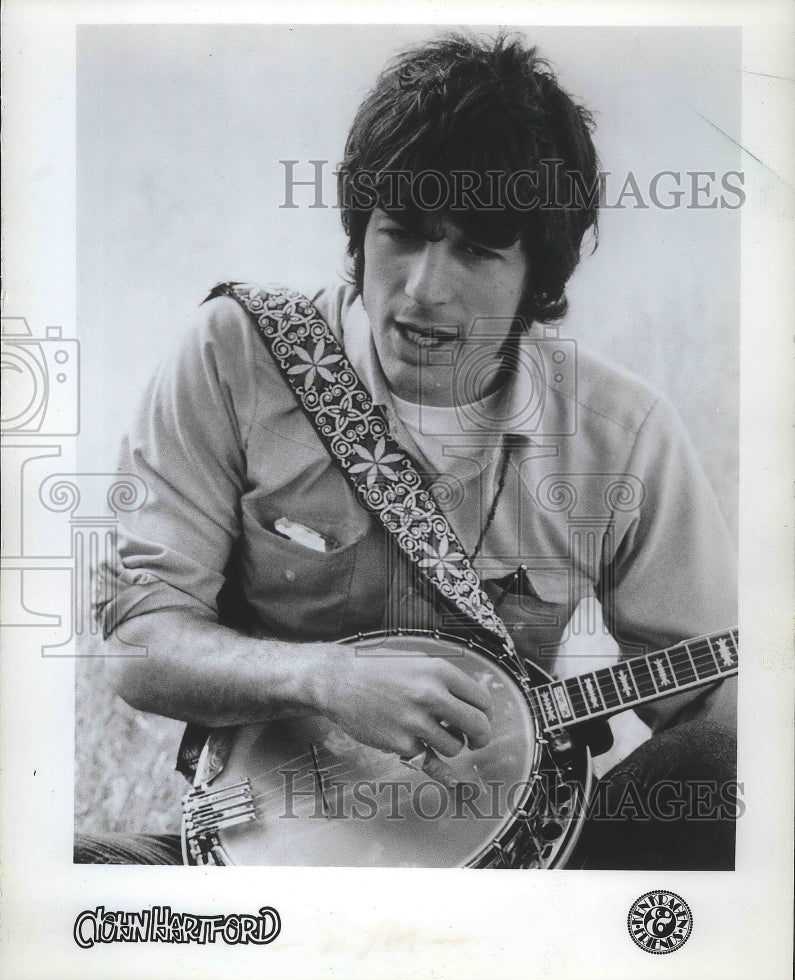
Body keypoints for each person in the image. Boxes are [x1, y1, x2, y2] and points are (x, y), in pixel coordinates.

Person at [76, 32, 737, 869]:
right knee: (47, 889)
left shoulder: (619, 432)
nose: (425, 289)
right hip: (266, 870)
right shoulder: (235, 355)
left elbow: (716, 701)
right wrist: (325, 680)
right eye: (402, 233)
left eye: (475, 249)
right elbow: (140, 643)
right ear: (358, 233)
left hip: (519, 877)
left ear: (537, 277)